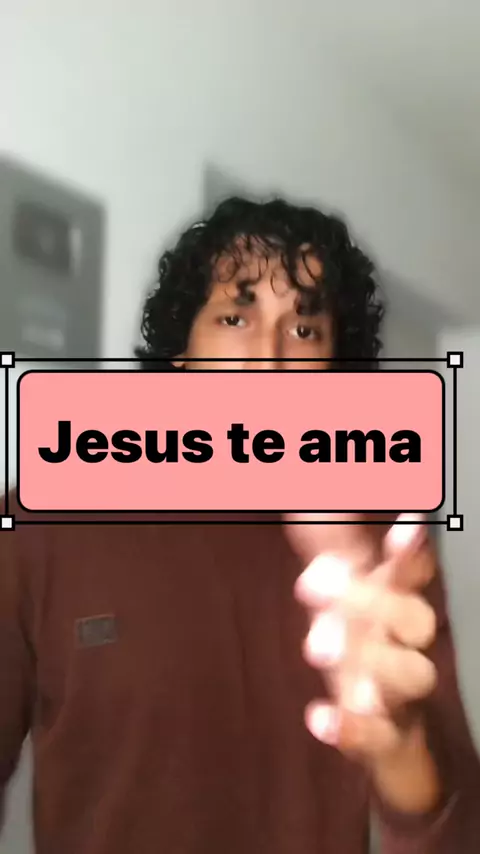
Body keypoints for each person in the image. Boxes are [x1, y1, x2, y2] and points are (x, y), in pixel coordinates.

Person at [1, 196, 479, 854]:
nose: (269, 358)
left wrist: (400, 739)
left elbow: (457, 829)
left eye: (304, 329)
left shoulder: (379, 544)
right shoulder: (44, 517)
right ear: (180, 354)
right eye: (235, 317)